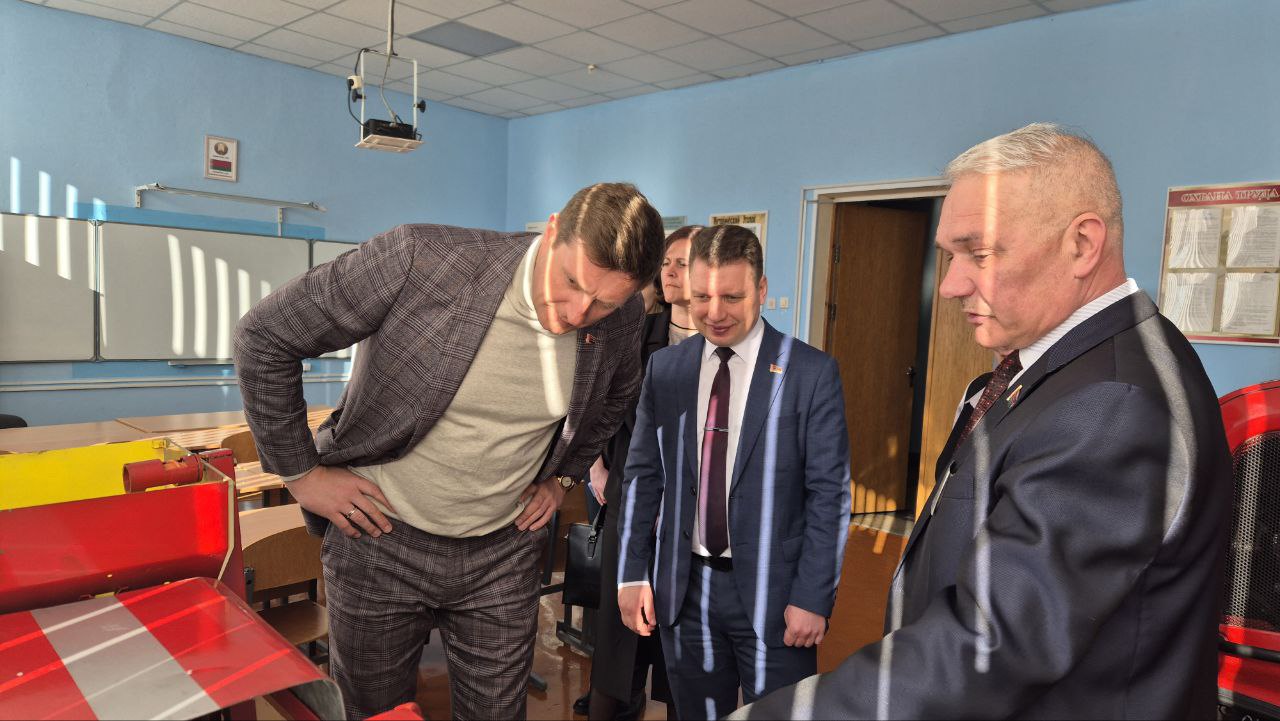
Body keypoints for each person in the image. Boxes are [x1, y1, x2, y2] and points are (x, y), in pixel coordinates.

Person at [730, 123, 1232, 720]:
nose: (950, 284)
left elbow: (987, 645)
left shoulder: (1112, 404)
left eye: (981, 253)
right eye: (951, 255)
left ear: (1082, 244)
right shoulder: (1062, 367)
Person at [232, 182, 665, 721]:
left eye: (604, 302)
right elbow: (264, 337)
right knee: (374, 713)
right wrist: (301, 474)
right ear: (552, 231)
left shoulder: (622, 318)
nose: (579, 312)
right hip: (379, 537)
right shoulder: (421, 258)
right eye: (572, 282)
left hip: (503, 551)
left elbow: (617, 396)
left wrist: (563, 478)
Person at [617, 224, 852, 720]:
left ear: (761, 289)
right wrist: (632, 573)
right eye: (703, 296)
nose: (715, 312)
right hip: (685, 593)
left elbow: (828, 495)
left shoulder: (810, 373)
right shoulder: (667, 369)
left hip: (777, 596)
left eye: (732, 296)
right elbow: (643, 476)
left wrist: (813, 596)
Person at [577, 225, 704, 720]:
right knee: (618, 645)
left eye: (683, 263)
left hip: (694, 516)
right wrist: (595, 469)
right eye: (666, 263)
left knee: (682, 647)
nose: (670, 272)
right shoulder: (635, 335)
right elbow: (591, 406)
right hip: (629, 499)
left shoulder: (723, 347)